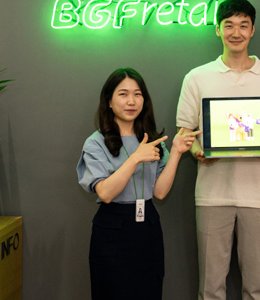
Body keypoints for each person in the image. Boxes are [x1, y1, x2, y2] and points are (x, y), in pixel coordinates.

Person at [176, 0, 260, 300]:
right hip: (212, 195)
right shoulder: (197, 77)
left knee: (257, 289)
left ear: (252, 30)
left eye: (243, 25)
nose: (236, 32)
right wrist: (197, 151)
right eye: (229, 25)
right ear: (217, 29)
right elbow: (185, 131)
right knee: (210, 289)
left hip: (259, 196)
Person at [77, 68, 200, 300]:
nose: (131, 101)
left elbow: (160, 192)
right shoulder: (96, 142)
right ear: (109, 101)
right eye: (123, 94)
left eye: (137, 94)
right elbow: (105, 193)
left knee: (149, 291)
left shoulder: (152, 140)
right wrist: (135, 158)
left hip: (148, 227)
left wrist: (175, 152)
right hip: (112, 227)